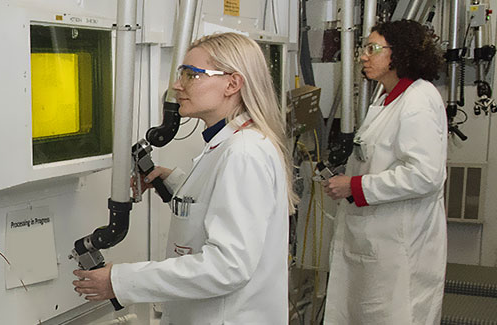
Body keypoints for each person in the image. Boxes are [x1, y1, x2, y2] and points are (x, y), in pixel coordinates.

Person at [72, 32, 297, 324]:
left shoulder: (243, 153)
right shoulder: (232, 145)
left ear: (232, 83)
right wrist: (176, 183)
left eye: (192, 75)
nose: (178, 85)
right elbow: (223, 205)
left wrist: (121, 281)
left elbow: (227, 267)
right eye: (182, 74)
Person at [323, 20, 447, 324]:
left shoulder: (418, 99)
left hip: (399, 248)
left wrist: (356, 186)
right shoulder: (387, 97)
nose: (364, 56)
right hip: (376, 243)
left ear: (400, 54)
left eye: (373, 48)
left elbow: (425, 175)